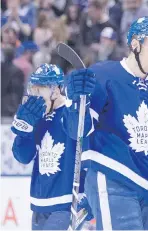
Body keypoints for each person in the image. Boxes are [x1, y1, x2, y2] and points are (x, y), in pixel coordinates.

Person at [63, 16, 148, 230]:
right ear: (135, 44)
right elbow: (77, 131)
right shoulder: (102, 76)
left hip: (147, 188)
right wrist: (76, 101)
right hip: (111, 176)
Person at [11, 64, 92, 230]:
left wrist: (88, 194)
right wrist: (23, 133)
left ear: (56, 91)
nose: (34, 95)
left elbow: (87, 150)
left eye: (39, 90)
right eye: (32, 89)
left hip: (67, 203)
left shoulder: (72, 112)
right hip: (39, 204)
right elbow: (23, 157)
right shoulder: (36, 116)